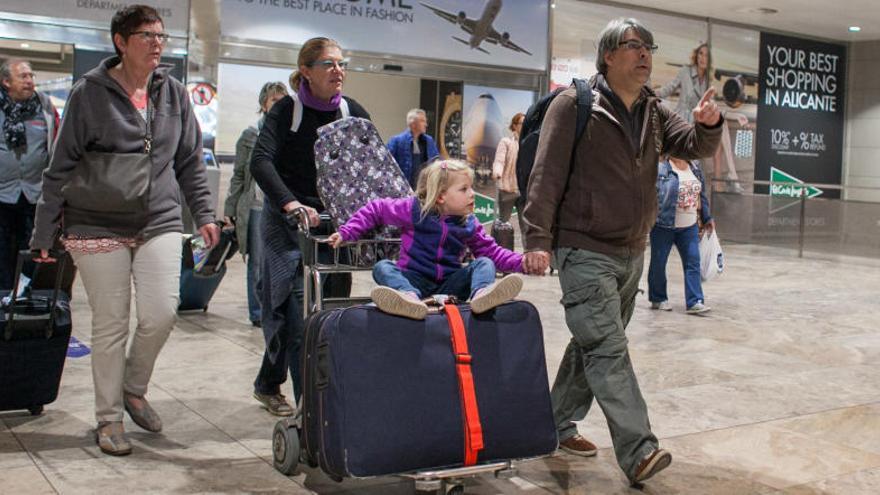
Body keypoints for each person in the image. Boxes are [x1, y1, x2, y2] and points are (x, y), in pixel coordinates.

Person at [522, 18, 722, 486]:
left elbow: (691, 146)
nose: (645, 54)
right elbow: (546, 174)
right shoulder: (576, 104)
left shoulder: (653, 109)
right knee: (608, 348)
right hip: (583, 247)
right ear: (608, 55)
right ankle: (639, 450)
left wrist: (707, 125)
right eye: (634, 46)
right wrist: (536, 240)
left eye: (649, 46)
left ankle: (552, 422)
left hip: (631, 249)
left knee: (591, 345)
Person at [30, 5, 219, 456]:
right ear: (121, 41)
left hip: (159, 218)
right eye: (146, 35)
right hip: (96, 221)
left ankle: (133, 388)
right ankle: (109, 418)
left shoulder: (173, 93)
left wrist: (206, 214)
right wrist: (42, 234)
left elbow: (190, 161)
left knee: (161, 312)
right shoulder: (89, 93)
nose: (157, 43)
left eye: (161, 35)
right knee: (111, 324)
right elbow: (60, 168)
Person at [249, 37, 370, 416]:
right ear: (306, 71)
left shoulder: (353, 111)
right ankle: (313, 416)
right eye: (328, 64)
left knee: (330, 313)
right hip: (288, 224)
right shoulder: (287, 111)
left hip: (334, 229)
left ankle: (270, 382)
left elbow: (374, 165)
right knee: (297, 316)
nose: (338, 71)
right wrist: (290, 202)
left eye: (341, 63)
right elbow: (261, 161)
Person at [328, 159, 525, 320]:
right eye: (464, 189)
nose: (472, 194)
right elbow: (377, 208)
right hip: (414, 280)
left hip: (450, 284)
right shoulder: (414, 210)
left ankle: (481, 295)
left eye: (471, 188)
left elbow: (491, 252)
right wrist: (348, 232)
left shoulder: (469, 223)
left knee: (485, 262)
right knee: (383, 267)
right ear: (440, 197)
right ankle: (407, 298)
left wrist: (522, 262)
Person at [223, 81, 288, 328]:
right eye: (274, 100)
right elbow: (238, 175)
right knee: (258, 263)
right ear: (264, 104)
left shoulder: (288, 135)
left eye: (283, 100)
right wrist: (230, 210)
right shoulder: (250, 136)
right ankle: (258, 311)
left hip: (282, 207)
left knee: (281, 262)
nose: (279, 105)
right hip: (256, 207)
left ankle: (277, 310)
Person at [0, 58, 59, 291]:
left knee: (31, 252)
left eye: (31, 76)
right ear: (6, 82)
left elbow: (56, 145)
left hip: (35, 195)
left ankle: (22, 296)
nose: (29, 81)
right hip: (3, 195)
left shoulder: (44, 106)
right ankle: (3, 300)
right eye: (22, 76)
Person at [657, 43, 743, 194]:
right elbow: (668, 89)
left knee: (721, 124)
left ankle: (731, 174)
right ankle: (731, 174)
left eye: (706, 55)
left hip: (697, 120)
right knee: (720, 126)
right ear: (696, 56)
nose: (703, 58)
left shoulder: (709, 82)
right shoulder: (685, 72)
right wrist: (647, 94)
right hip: (683, 119)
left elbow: (714, 107)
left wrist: (735, 115)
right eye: (700, 54)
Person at [648, 156, 714, 314]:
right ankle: (658, 298)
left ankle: (695, 301)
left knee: (693, 262)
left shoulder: (695, 166)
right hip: (664, 225)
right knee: (659, 263)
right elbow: (651, 194)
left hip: (689, 226)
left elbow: (702, 195)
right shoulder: (662, 168)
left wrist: (707, 217)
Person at [492, 112, 525, 247]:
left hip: (524, 191)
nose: (524, 126)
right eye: (522, 123)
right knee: (503, 223)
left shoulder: (530, 143)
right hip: (508, 189)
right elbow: (499, 160)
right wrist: (497, 172)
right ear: (514, 125)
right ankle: (501, 254)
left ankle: (528, 256)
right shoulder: (506, 142)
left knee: (526, 226)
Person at [387, 108, 439, 188]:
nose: (426, 124)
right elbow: (387, 164)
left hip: (424, 187)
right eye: (422, 121)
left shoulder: (429, 141)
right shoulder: (396, 141)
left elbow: (436, 161)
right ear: (413, 124)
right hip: (403, 188)